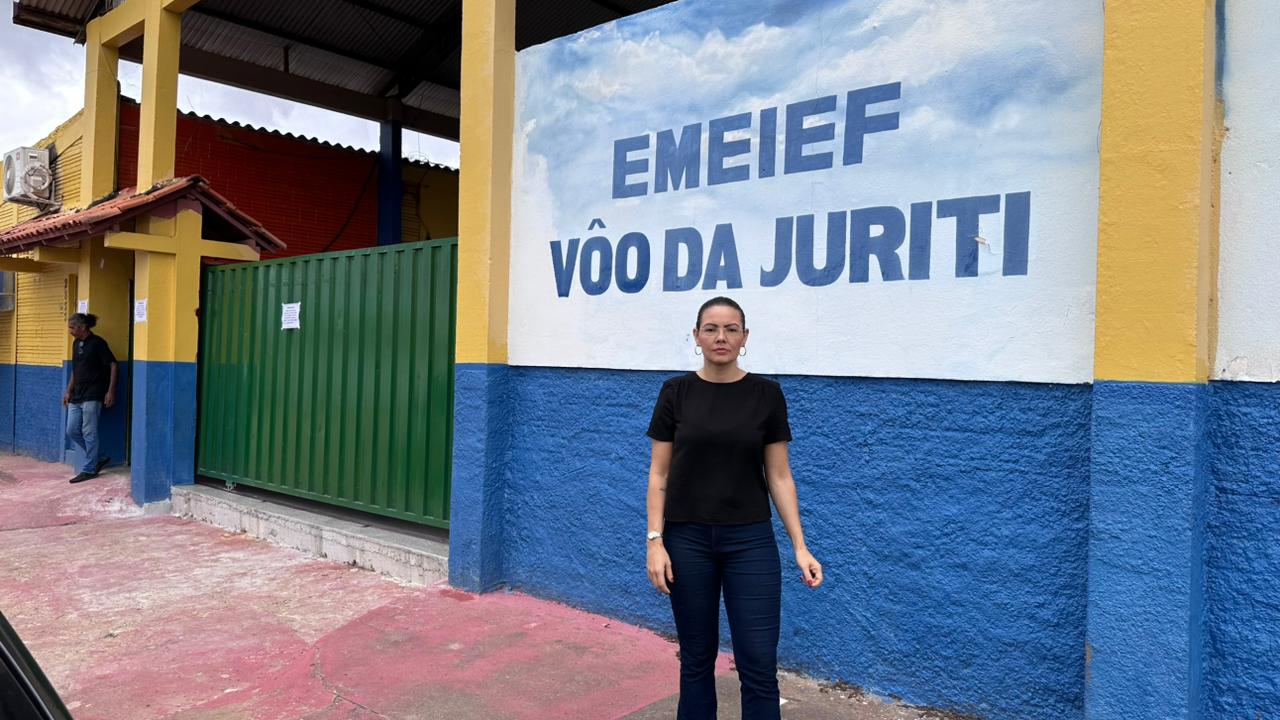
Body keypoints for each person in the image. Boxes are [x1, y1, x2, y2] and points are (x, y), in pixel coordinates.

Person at [645, 296, 823, 720]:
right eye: (711, 329)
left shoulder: (766, 395)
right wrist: (655, 541)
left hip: (750, 541)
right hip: (687, 540)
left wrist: (800, 546)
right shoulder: (675, 393)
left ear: (745, 337)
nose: (721, 337)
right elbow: (659, 475)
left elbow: (779, 476)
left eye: (731, 329)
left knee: (758, 659)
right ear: (696, 336)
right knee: (696, 657)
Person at [63, 313, 117, 484]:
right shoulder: (75, 343)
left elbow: (113, 365)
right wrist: (68, 390)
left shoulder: (98, 343)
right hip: (77, 395)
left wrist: (110, 391)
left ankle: (90, 469)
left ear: (83, 327)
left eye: (72, 327)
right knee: (72, 430)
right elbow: (75, 369)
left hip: (93, 394)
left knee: (89, 432)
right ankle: (99, 457)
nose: (70, 331)